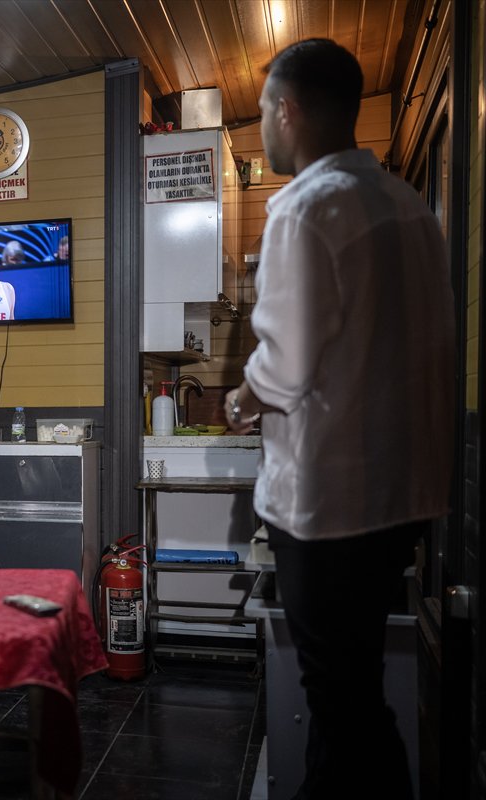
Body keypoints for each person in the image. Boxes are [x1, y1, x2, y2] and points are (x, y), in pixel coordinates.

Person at [224, 39, 454, 800]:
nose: (264, 128)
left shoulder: (304, 208)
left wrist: (240, 401)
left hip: (328, 505)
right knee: (351, 690)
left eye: (263, 111)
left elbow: (285, 366)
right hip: (401, 497)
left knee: (344, 704)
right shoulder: (410, 207)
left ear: (288, 110)